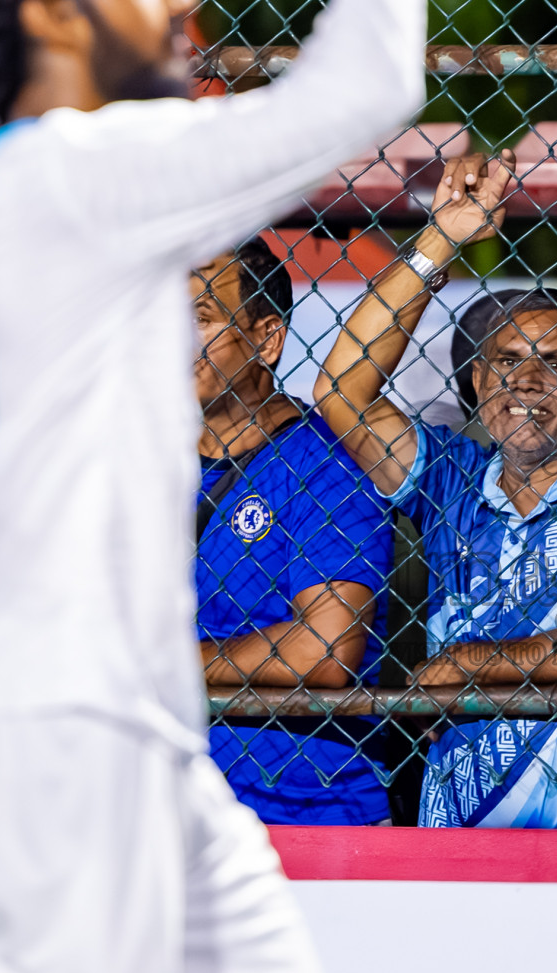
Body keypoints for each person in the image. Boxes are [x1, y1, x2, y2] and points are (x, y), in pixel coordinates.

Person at [0, 0, 425, 973]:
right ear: (55, 18)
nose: (184, 10)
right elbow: (367, 82)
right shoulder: (80, 173)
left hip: (138, 722)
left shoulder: (49, 180)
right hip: (71, 729)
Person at [314, 152, 557, 830]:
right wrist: (439, 241)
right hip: (460, 817)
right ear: (479, 385)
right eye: (506, 363)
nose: (524, 382)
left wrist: (467, 663)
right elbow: (341, 389)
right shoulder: (452, 475)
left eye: (554, 364)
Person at [193, 238, 395, 826]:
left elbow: (325, 650)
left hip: (306, 818)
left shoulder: (325, 463)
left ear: (266, 339)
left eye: (201, 319)